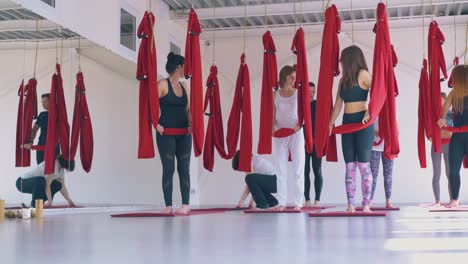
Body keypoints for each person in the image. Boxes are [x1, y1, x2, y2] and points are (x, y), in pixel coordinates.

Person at [329, 46, 374, 213]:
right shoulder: (342, 80)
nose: (340, 63)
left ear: (349, 60)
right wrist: (330, 124)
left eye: (342, 60)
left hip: (362, 124)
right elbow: (338, 105)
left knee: (363, 165)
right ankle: (350, 204)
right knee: (350, 165)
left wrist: (369, 113)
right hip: (347, 122)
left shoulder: (363, 74)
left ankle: (366, 203)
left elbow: (377, 93)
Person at [156, 52, 192, 214]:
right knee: (169, 168)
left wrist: (191, 124)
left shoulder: (185, 86)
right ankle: (168, 206)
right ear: (179, 67)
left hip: (184, 133)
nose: (186, 69)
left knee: (184, 168)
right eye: (184, 66)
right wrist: (156, 125)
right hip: (166, 134)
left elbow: (188, 109)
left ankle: (185, 205)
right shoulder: (162, 84)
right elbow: (149, 106)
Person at [272, 65, 305, 211]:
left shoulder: (298, 93)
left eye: (294, 77)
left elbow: (303, 114)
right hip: (280, 134)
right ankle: (282, 202)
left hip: (295, 133)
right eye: (291, 77)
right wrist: (273, 128)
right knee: (280, 168)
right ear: (284, 77)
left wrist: (299, 125)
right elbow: (272, 114)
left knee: (298, 168)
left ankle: (298, 202)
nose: (294, 79)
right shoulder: (275, 94)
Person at [438, 65, 468, 208]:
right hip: (458, 135)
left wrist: (442, 119)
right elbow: (444, 111)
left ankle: (454, 200)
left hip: (457, 137)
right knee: (454, 169)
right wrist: (442, 118)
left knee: (454, 169)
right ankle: (454, 199)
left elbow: (444, 111)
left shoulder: (453, 93)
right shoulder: (453, 93)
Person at [24, 93, 59, 164]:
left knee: (53, 169)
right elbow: (34, 130)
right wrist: (30, 141)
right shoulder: (42, 115)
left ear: (51, 101)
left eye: (45, 102)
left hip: (54, 147)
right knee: (40, 169)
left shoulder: (59, 115)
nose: (43, 104)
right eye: (42, 102)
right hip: (41, 146)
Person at [304, 82, 323, 208]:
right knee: (305, 171)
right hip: (303, 143)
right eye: (309, 91)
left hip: (316, 143)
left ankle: (317, 200)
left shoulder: (318, 105)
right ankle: (307, 200)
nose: (311, 93)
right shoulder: (302, 106)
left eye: (313, 91)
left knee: (317, 170)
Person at [370, 117, 396, 208]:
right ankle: (370, 200)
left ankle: (388, 201)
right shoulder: (374, 109)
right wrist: (375, 133)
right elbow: (367, 126)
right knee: (373, 175)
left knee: (388, 175)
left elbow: (396, 129)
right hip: (374, 146)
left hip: (388, 147)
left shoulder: (393, 112)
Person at [432, 92, 453, 206]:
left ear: (446, 102)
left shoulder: (451, 114)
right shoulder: (434, 115)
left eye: (442, 101)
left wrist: (444, 132)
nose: (440, 103)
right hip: (436, 146)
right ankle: (437, 201)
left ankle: (452, 199)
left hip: (449, 146)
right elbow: (431, 135)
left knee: (450, 174)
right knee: (437, 173)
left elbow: (450, 133)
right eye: (438, 101)